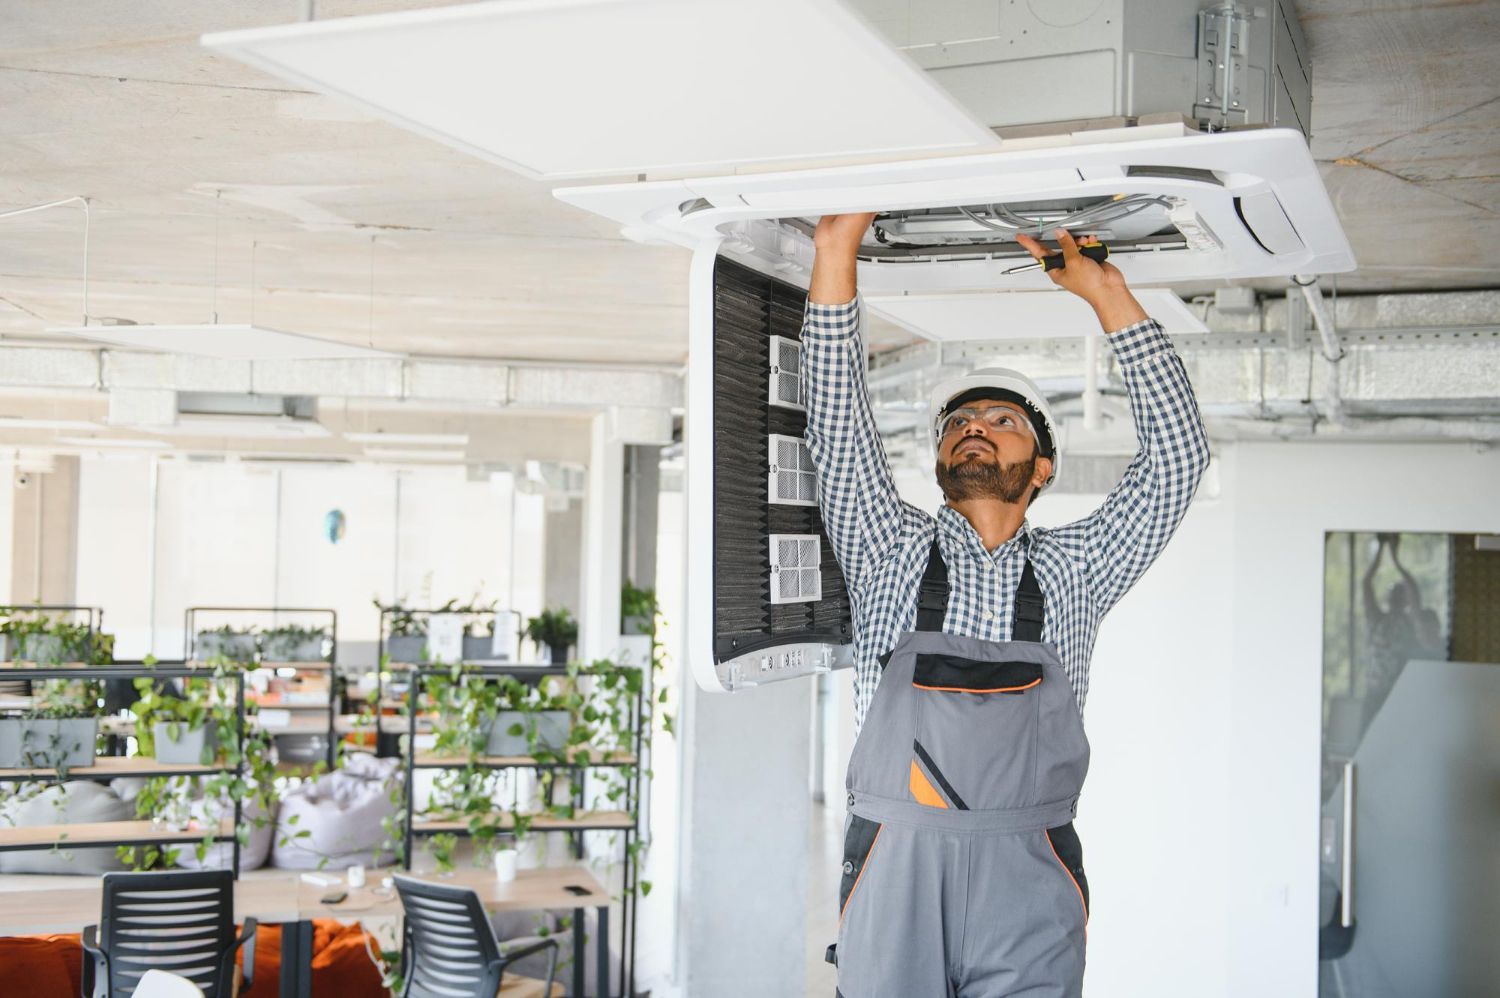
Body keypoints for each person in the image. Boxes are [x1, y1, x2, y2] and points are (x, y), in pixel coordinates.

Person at [802, 213, 1211, 997]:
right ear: (940, 462)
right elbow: (837, 422)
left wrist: (1108, 294)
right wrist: (835, 248)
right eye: (959, 424)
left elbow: (1177, 459)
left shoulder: (1080, 567)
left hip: (1026, 870)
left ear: (1044, 467)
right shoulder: (884, 544)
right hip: (898, 859)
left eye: (1001, 421)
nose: (974, 429)